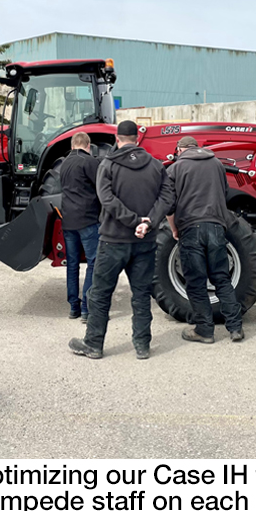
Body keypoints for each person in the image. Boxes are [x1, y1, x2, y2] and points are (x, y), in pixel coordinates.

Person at [69, 120, 174, 360]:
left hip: (113, 241)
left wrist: (132, 220)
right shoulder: (156, 166)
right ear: (137, 139)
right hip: (144, 243)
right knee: (141, 294)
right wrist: (147, 222)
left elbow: (107, 199)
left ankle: (94, 344)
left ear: (117, 139)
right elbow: (167, 197)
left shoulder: (107, 165)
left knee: (100, 293)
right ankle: (142, 345)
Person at [166, 136, 244, 344]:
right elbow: (225, 193)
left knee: (196, 282)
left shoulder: (175, 169)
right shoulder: (217, 164)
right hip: (216, 228)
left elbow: (169, 205)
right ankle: (235, 328)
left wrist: (174, 229)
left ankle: (205, 330)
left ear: (180, 150)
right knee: (221, 279)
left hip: (190, 229)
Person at [59, 132, 101, 321]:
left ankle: (73, 308)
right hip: (88, 219)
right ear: (88, 145)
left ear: (72, 144)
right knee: (93, 263)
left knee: (72, 265)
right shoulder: (89, 162)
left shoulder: (64, 163)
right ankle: (87, 307)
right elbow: (100, 188)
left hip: (68, 221)